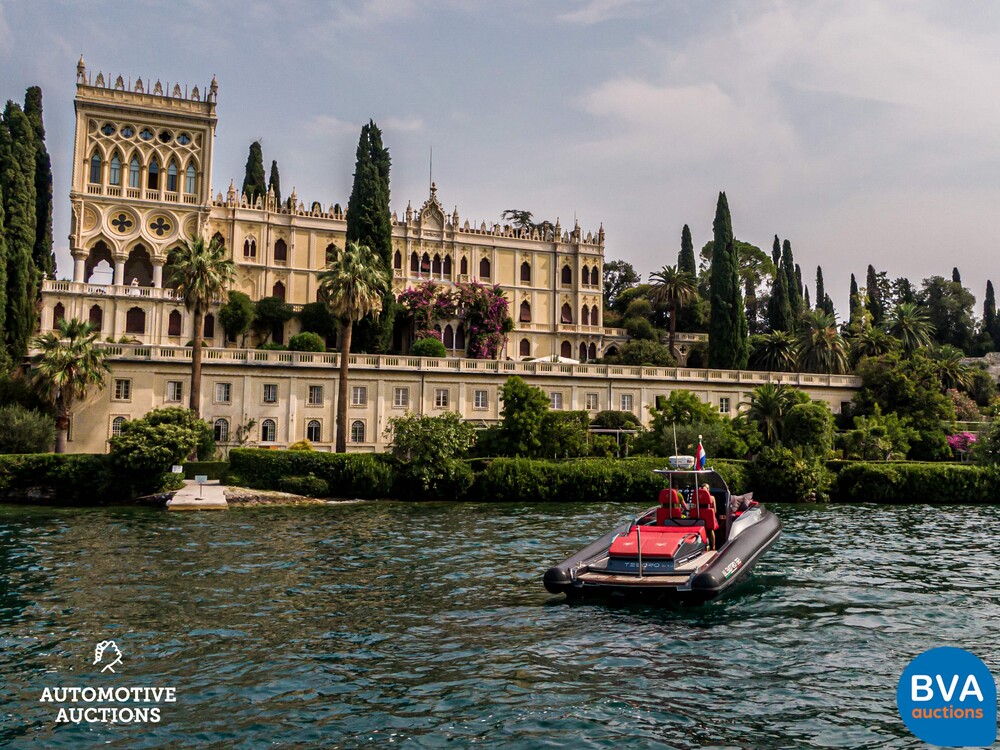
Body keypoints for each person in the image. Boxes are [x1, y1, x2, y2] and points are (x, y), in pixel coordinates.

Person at [693, 483, 720, 550]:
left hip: (699, 517)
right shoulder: (712, 498)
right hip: (709, 517)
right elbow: (715, 510)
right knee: (711, 530)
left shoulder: (696, 497)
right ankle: (713, 546)